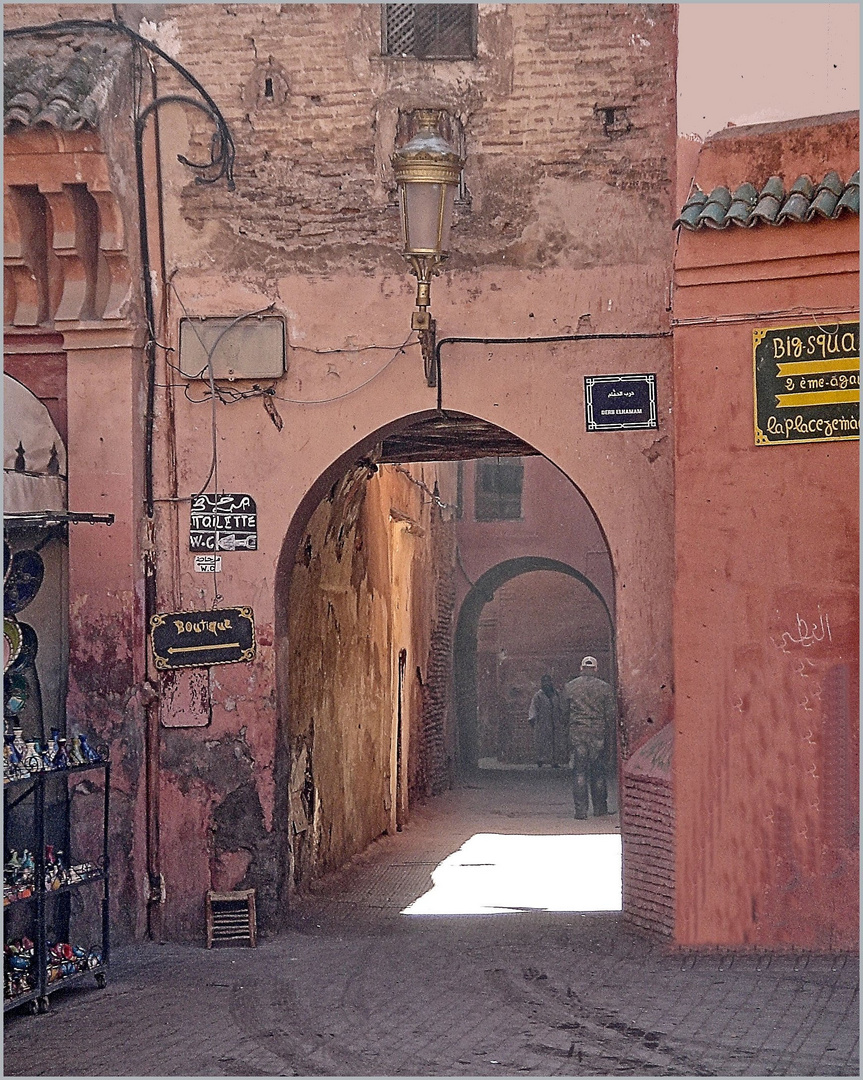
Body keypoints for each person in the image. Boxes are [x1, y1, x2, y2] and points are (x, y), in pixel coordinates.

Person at [563, 656, 616, 818]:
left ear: (581, 668)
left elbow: (564, 712)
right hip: (597, 734)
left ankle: (581, 811)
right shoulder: (605, 688)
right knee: (598, 772)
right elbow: (611, 714)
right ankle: (600, 808)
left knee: (579, 772)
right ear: (595, 669)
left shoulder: (570, 687)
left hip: (578, 733)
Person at [528, 674, 566, 768]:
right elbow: (533, 709)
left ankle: (554, 761)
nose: (547, 684)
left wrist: (563, 719)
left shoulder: (557, 694)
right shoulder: (538, 696)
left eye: (548, 681)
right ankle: (540, 759)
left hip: (555, 722)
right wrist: (533, 720)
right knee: (542, 741)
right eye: (544, 682)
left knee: (556, 741)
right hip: (542, 723)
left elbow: (562, 707)